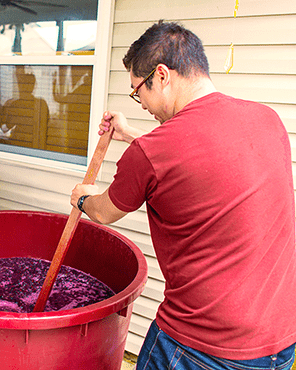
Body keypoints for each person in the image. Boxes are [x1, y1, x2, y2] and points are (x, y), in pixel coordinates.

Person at [71, 21, 296, 369]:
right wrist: (131, 134)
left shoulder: (154, 152)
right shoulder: (267, 120)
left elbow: (105, 212)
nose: (141, 103)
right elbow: (200, 158)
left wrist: (83, 198)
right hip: (279, 342)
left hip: (201, 346)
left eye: (137, 91)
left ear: (161, 75)